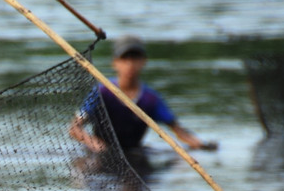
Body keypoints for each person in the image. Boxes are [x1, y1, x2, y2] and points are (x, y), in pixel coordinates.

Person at [69, 35, 215, 163]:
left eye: (135, 58)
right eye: (125, 58)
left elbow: (179, 131)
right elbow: (75, 128)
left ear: (144, 61)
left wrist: (201, 145)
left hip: (133, 154)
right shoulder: (102, 92)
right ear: (115, 63)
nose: (130, 65)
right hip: (101, 155)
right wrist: (95, 144)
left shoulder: (150, 99)